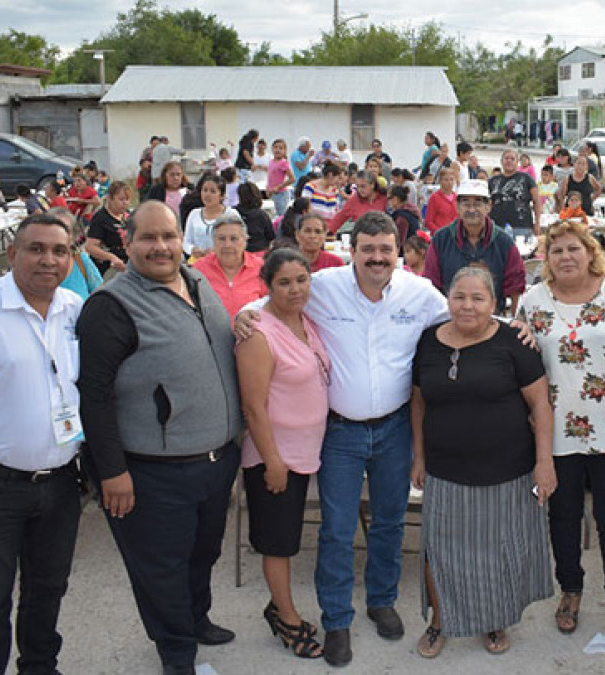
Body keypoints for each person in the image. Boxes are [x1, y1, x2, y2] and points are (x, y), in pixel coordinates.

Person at [234, 211, 454, 667]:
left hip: (394, 428)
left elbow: (466, 316)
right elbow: (271, 304)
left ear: (399, 251)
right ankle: (337, 618)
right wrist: (241, 315)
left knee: (391, 521)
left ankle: (381, 600)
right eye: (367, 249)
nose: (377, 257)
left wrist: (519, 333)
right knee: (336, 531)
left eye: (385, 249)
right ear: (351, 251)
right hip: (339, 432)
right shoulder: (325, 287)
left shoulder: (420, 293)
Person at [77, 201, 243, 675]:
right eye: (148, 238)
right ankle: (176, 652)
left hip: (213, 459)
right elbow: (94, 395)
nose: (161, 247)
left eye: (168, 237)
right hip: (153, 470)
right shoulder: (110, 306)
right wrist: (111, 471)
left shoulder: (197, 283)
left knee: (202, 552)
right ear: (126, 243)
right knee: (161, 568)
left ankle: (196, 619)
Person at [517, 219, 605, 649]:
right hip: (554, 431)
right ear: (547, 258)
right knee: (563, 518)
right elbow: (520, 359)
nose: (565, 257)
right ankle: (570, 591)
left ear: (589, 251)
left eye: (573, 248)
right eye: (556, 251)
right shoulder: (533, 301)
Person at [0, 213, 83, 675]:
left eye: (59, 251)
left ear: (71, 257)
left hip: (61, 483)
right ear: (12, 254)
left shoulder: (75, 309)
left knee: (47, 590)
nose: (47, 260)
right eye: (36, 249)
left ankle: (39, 668)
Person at [410, 267, 555, 657]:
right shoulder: (428, 342)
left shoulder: (514, 342)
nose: (468, 305)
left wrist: (545, 463)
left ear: (494, 304)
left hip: (507, 468)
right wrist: (419, 456)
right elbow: (419, 402)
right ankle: (439, 622)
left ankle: (494, 621)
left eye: (478, 298)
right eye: (460, 297)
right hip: (445, 469)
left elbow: (541, 404)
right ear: (448, 299)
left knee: (499, 551)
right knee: (439, 551)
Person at [236, 247, 330, 660]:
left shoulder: (307, 321)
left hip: (305, 452)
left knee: (287, 535)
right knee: (279, 544)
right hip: (275, 457)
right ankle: (286, 617)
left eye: (301, 279)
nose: (295, 289)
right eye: (284, 282)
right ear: (267, 286)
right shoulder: (258, 332)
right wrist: (272, 460)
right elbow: (253, 406)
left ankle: (281, 609)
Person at [422, 178, 526, 314]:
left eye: (478, 203)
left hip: (491, 320)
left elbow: (516, 287)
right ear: (457, 207)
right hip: (450, 318)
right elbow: (430, 285)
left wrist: (514, 322)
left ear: (488, 206)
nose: (471, 209)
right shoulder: (441, 239)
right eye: (466, 203)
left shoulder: (504, 242)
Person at [193, 213, 265, 324]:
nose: (227, 244)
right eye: (221, 239)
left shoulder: (261, 268)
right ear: (213, 241)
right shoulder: (198, 270)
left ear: (245, 241)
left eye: (234, 239)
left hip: (251, 337)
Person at [51, 207, 103, 299]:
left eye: (66, 230)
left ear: (74, 236)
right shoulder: (37, 265)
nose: (60, 234)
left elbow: (100, 296)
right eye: (54, 229)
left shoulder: (82, 262)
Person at [489, 148, 542, 238]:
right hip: (497, 226)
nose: (509, 161)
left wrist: (537, 223)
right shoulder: (493, 180)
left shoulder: (526, 178)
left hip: (521, 225)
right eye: (506, 158)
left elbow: (537, 202)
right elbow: (488, 203)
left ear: (517, 162)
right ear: (501, 161)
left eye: (512, 159)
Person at [184, 172, 238, 258]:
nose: (207, 194)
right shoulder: (194, 214)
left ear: (222, 196)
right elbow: (186, 242)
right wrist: (192, 250)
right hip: (197, 263)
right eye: (205, 190)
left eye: (213, 191)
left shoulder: (231, 214)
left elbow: (238, 241)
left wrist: (218, 250)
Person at [328, 170, 387, 235]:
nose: (360, 190)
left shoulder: (385, 198)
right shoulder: (354, 200)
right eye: (358, 186)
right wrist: (327, 233)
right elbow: (339, 218)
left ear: (372, 184)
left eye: (363, 186)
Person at [236, 182, 276, 253]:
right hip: (259, 250)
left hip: (239, 250)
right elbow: (271, 235)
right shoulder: (262, 215)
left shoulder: (233, 213)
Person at [424, 167, 458, 233]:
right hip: (439, 236)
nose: (449, 182)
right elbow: (428, 222)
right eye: (446, 180)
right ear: (440, 181)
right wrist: (440, 232)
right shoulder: (434, 198)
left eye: (451, 180)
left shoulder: (457, 198)